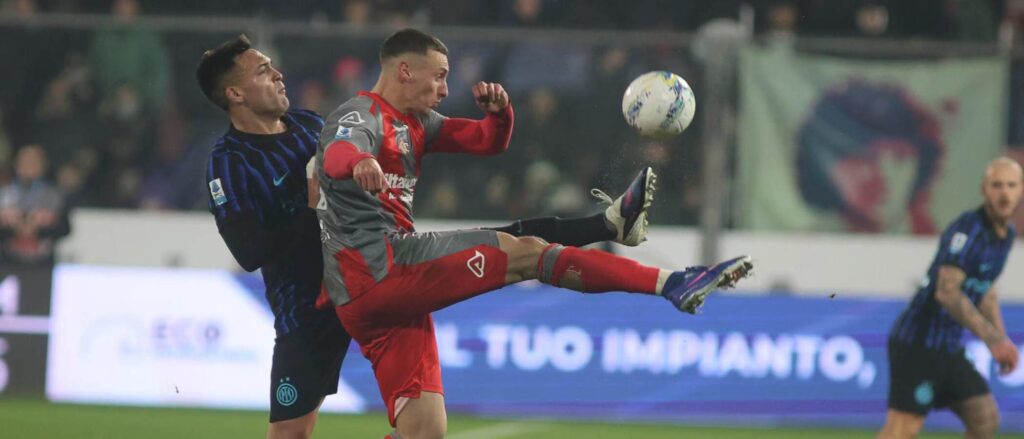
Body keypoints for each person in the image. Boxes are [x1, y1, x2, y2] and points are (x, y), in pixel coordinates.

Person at [197, 34, 668, 439]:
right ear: (235, 92)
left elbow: (466, 142)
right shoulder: (229, 162)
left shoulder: (309, 124)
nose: (278, 74)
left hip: (374, 270)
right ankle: (609, 226)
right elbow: (249, 251)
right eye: (263, 71)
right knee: (290, 434)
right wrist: (311, 200)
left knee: (511, 247)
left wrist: (499, 117)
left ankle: (605, 225)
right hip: (309, 308)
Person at [314, 28, 753, 439]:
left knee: (425, 430)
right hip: (380, 267)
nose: (445, 89)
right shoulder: (361, 114)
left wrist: (501, 115)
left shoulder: (416, 122)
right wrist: (359, 161)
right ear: (405, 70)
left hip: (378, 296)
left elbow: (486, 141)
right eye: (440, 76)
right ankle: (672, 282)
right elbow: (338, 152)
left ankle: (614, 229)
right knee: (528, 253)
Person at [879, 157, 1023, 439]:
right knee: (902, 430)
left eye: (1011, 185)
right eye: (997, 185)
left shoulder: (1005, 236)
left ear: (1021, 191)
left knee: (984, 418)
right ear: (984, 190)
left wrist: (1001, 338)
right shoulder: (968, 229)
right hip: (918, 342)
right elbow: (946, 292)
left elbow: (985, 290)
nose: (1004, 193)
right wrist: (993, 340)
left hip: (948, 345)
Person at [0, 144, 71, 316]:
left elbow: (65, 229)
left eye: (34, 162)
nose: (29, 166)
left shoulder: (56, 196)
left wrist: (38, 230)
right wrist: (13, 228)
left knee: (38, 314)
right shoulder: (4, 194)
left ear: (43, 166)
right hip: (5, 264)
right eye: (25, 162)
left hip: (42, 267)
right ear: (16, 164)